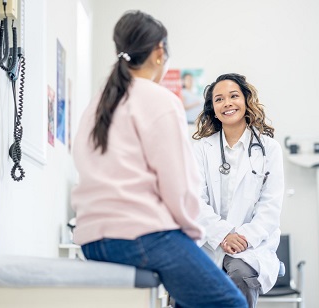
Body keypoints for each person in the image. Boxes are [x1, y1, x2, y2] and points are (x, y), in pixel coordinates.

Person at [71, 11, 247, 308]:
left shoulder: (97, 103)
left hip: (91, 240)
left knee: (185, 300)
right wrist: (192, 237)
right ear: (159, 51)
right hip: (142, 237)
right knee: (232, 303)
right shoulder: (160, 100)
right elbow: (178, 187)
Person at [192, 73, 284, 308]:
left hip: (251, 245)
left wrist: (241, 239)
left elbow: (270, 207)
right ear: (213, 108)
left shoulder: (269, 149)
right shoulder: (201, 149)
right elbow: (194, 201)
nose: (227, 103)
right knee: (186, 281)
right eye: (219, 99)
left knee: (240, 274)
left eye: (234, 96)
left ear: (246, 100)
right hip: (209, 241)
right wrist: (222, 235)